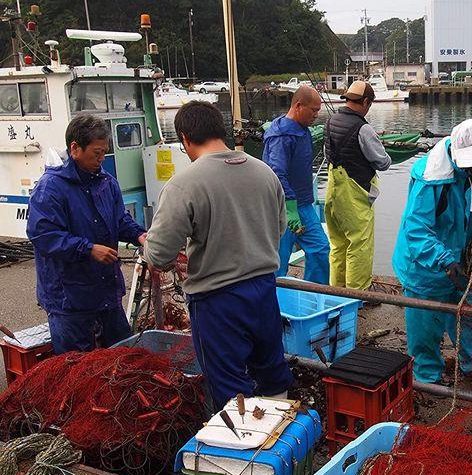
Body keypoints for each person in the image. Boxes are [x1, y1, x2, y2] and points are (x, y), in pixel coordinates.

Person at [143, 101, 293, 410]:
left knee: (228, 385)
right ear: (220, 130)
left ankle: (241, 453)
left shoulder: (184, 184)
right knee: (272, 370)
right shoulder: (265, 173)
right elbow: (278, 230)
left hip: (217, 300)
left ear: (185, 139)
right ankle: (282, 444)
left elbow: (158, 255)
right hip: (264, 289)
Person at [26, 114, 147, 354]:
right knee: (77, 369)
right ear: (75, 148)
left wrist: (140, 235)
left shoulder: (106, 182)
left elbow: (120, 219)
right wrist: (88, 249)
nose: (102, 159)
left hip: (106, 291)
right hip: (69, 299)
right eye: (97, 153)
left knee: (122, 357)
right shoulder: (50, 188)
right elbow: (44, 236)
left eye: (105, 153)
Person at [392, 118, 472, 385]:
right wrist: (443, 260)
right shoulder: (431, 180)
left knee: (468, 314)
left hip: (460, 257)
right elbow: (416, 229)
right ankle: (427, 376)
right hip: (425, 266)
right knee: (425, 325)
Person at [324, 80, 391, 290]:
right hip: (353, 193)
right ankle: (359, 294)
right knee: (359, 243)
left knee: (338, 244)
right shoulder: (363, 128)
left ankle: (337, 291)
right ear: (365, 102)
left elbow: (331, 153)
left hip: (332, 187)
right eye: (369, 104)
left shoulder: (331, 121)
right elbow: (383, 162)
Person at [262, 85, 330, 284]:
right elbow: (276, 172)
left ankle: (315, 298)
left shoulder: (302, 129)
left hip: (304, 205)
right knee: (278, 261)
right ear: (299, 106)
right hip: (282, 208)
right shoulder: (281, 136)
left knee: (320, 249)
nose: (317, 115)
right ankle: (276, 307)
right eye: (314, 110)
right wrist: (290, 206)